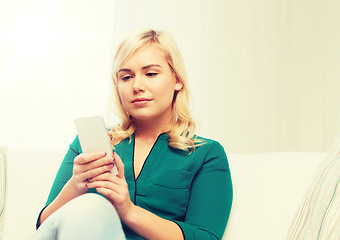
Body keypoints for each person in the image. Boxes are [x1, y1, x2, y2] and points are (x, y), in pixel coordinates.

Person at [33, 29, 233, 240]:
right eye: (126, 77)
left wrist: (128, 211)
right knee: (92, 206)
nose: (137, 86)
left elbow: (206, 237)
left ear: (177, 79)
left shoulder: (206, 154)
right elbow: (45, 228)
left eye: (151, 74)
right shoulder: (88, 145)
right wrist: (76, 185)